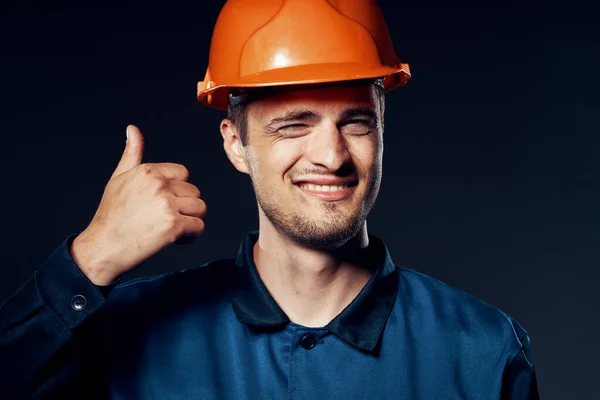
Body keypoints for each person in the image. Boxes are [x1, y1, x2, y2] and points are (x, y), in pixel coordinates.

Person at [0, 0, 539, 398]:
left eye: (355, 123)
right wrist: (89, 258)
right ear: (237, 145)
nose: (330, 155)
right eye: (293, 125)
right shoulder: (125, 335)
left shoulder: (483, 351)